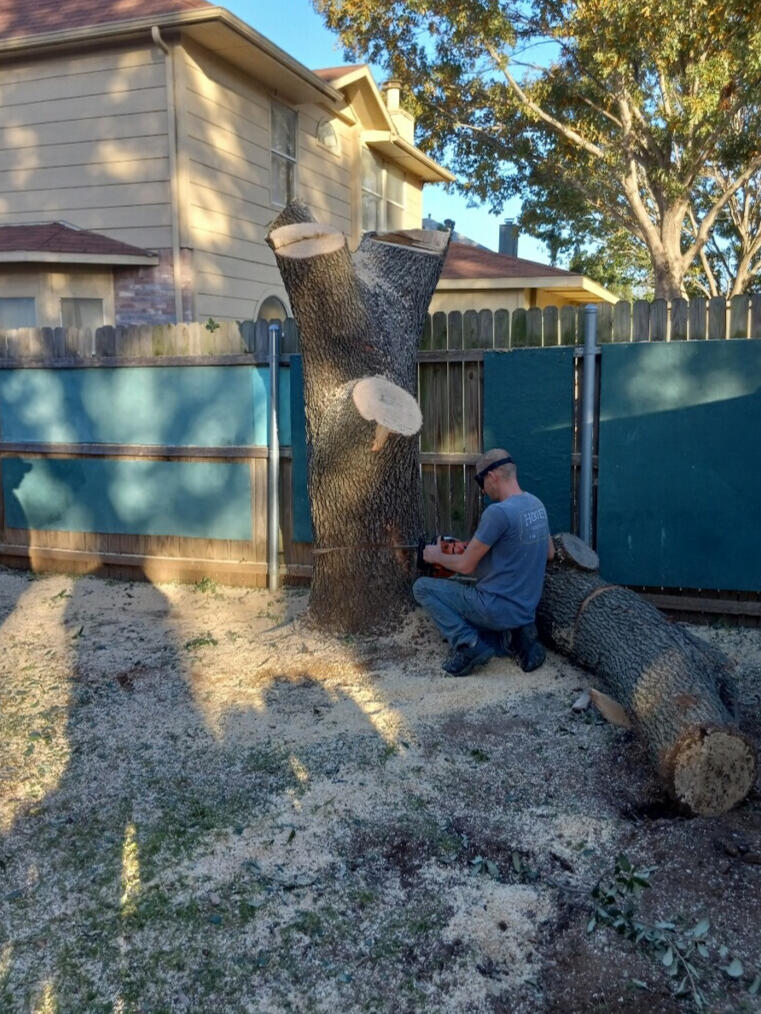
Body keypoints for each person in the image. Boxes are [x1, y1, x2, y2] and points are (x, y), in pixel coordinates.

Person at [413, 448, 554, 677]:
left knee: (422, 587)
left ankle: (469, 644)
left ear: (492, 476)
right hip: (526, 610)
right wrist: (471, 548)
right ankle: (512, 638)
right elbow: (549, 553)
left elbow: (465, 567)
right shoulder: (536, 505)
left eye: (481, 482)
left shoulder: (497, 513)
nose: (483, 489)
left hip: (495, 608)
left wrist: (434, 556)